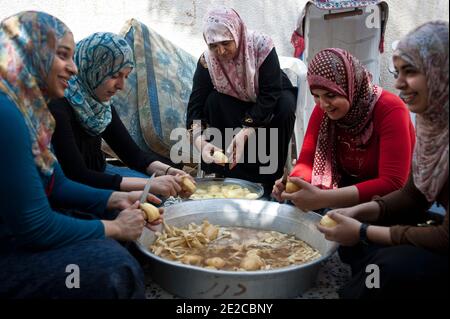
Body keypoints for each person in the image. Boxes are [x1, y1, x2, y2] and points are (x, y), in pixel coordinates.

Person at [0, 11, 161, 298]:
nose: (73, 68)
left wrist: (118, 199)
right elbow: (37, 227)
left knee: (111, 225)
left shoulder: (32, 112)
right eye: (62, 55)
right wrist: (114, 227)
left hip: (20, 231)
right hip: (10, 247)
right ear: (28, 52)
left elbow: (57, 184)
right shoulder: (7, 113)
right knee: (112, 269)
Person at [316, 21, 449, 298]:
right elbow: (413, 196)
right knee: (362, 246)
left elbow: (444, 236)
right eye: (397, 71)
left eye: (410, 72)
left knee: (390, 267)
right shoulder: (434, 124)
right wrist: (357, 213)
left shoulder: (391, 109)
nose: (399, 82)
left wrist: (363, 230)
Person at [48, 32, 193, 197]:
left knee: (163, 193)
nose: (121, 86)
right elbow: (77, 175)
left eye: (126, 76)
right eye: (114, 75)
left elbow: (134, 155)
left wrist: (170, 172)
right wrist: (150, 184)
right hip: (75, 187)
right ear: (92, 67)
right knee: (151, 198)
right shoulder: (58, 106)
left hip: (100, 173)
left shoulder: (100, 106)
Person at [273, 48, 415, 211]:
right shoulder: (325, 111)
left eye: (331, 95)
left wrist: (325, 199)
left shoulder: (391, 110)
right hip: (344, 192)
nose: (323, 104)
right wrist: (292, 184)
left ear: (351, 87)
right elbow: (307, 162)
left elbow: (393, 184)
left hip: (385, 203)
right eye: (316, 95)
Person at [186, 6, 297, 191]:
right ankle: (228, 174)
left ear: (237, 33)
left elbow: (271, 93)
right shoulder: (207, 62)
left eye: (226, 43)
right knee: (213, 101)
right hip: (237, 102)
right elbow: (195, 107)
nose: (220, 51)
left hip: (270, 99)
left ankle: (269, 181)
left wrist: (247, 129)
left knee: (285, 106)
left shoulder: (261, 46)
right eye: (213, 45)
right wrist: (200, 142)